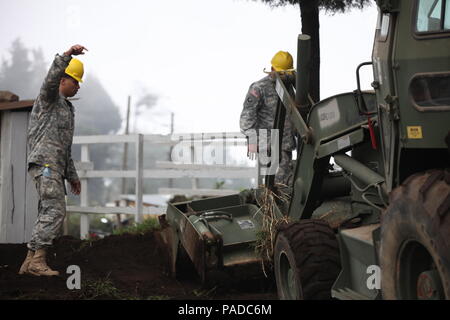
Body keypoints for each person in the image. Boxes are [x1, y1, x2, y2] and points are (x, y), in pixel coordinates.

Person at [18, 44, 87, 276]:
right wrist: (67, 56)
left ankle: (29, 262)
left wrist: (73, 176)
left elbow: (65, 149)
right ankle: (38, 261)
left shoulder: (67, 110)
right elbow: (50, 79)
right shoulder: (48, 99)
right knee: (55, 210)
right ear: (62, 79)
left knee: (47, 210)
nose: (77, 86)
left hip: (54, 168)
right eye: (75, 80)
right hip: (44, 165)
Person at [240, 51, 296, 186]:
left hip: (286, 144)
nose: (283, 77)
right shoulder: (259, 88)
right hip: (268, 145)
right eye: (281, 73)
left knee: (284, 184)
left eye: (286, 74)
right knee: (276, 185)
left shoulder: (290, 86)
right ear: (272, 69)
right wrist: (257, 142)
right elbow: (246, 120)